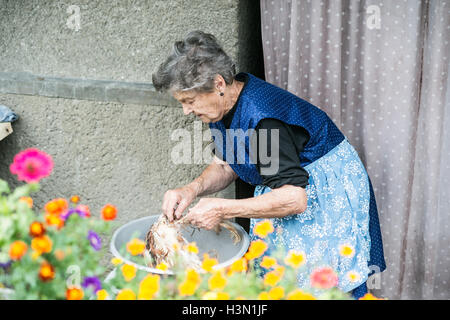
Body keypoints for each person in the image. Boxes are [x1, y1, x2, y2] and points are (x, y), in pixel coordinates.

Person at [152, 30, 386, 298]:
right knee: (283, 280)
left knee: (325, 286)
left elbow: (295, 199)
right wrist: (190, 190)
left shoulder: (262, 119)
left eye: (189, 101)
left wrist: (223, 209)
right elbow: (226, 164)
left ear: (218, 83)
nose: (186, 111)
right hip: (288, 186)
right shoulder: (223, 105)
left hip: (322, 189)